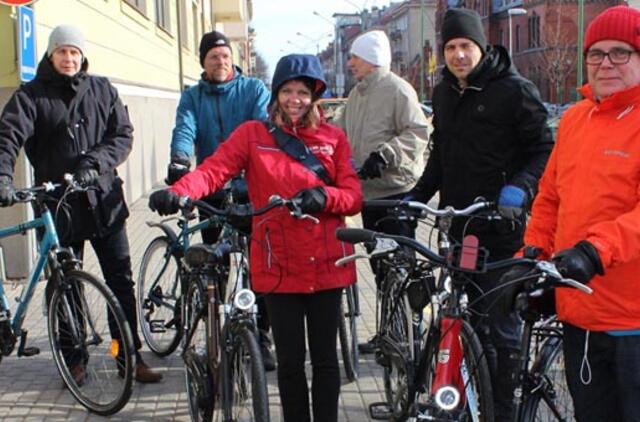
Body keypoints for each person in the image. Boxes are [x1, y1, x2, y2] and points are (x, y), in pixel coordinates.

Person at [148, 54, 362, 422]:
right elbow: (214, 170)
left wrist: (325, 197)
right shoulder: (253, 135)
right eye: (287, 91)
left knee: (327, 362)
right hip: (279, 263)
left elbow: (353, 194)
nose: (295, 99)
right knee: (291, 364)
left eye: (303, 92)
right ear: (275, 94)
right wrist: (181, 191)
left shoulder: (333, 138)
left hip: (327, 261)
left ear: (314, 96)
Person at [411, 8, 553, 421]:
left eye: (466, 47)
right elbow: (441, 156)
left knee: (500, 330)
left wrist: (521, 189)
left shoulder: (514, 90)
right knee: (464, 319)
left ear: (481, 47)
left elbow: (544, 148)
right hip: (463, 229)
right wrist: (416, 195)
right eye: (451, 47)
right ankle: (469, 402)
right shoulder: (443, 93)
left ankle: (503, 411)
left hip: (502, 230)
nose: (458, 55)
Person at [0, 25, 162, 383]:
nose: (69, 58)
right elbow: (8, 136)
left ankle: (127, 356)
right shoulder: (31, 96)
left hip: (104, 201)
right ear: (51, 54)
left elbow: (122, 135)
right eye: (62, 52)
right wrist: (3, 177)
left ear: (82, 56)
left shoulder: (102, 89)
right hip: (60, 208)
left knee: (119, 281)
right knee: (66, 285)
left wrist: (95, 163)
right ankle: (75, 359)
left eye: (74, 52)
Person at [514, 6, 640, 421]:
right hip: (579, 313)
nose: (606, 63)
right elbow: (550, 197)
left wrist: (594, 251)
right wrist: (531, 254)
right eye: (596, 54)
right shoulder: (574, 120)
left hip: (631, 320)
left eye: (620, 52)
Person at [167, 30, 275, 369]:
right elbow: (184, 129)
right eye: (214, 56)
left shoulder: (253, 89)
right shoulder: (192, 96)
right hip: (211, 187)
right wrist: (180, 161)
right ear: (203, 61)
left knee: (260, 267)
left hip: (249, 187)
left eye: (225, 56)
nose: (221, 61)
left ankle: (261, 335)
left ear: (233, 60)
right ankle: (219, 333)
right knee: (216, 264)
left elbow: (262, 125)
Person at [335, 29, 431, 353]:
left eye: (354, 57)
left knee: (400, 264)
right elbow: (339, 130)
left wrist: (386, 154)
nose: (350, 63)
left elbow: (419, 131)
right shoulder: (357, 95)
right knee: (379, 267)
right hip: (370, 194)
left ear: (371, 59)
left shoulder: (397, 90)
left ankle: (411, 331)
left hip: (397, 191)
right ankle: (388, 331)